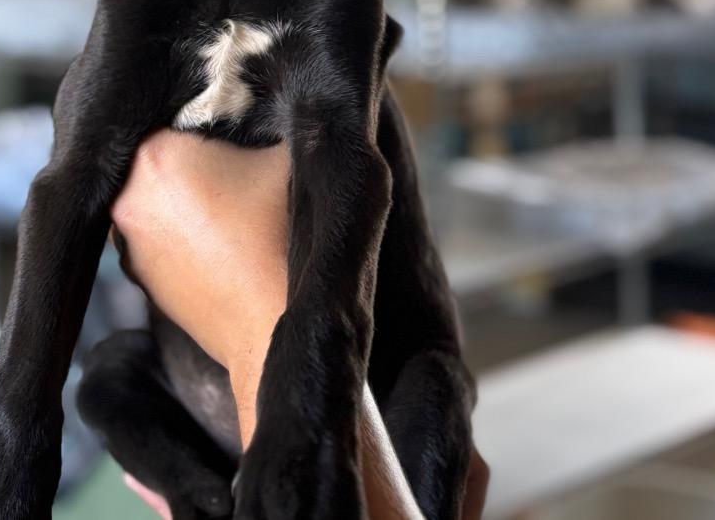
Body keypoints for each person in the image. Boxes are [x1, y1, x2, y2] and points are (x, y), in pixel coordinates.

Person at [112, 129, 489, 520]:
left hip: (365, 380)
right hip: (212, 404)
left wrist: (257, 316)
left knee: (434, 383)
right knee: (108, 376)